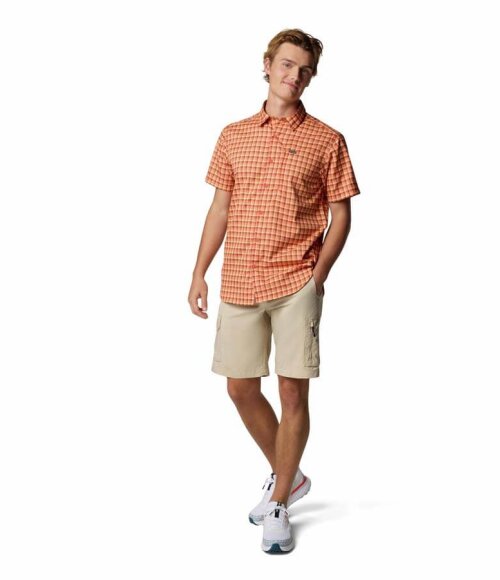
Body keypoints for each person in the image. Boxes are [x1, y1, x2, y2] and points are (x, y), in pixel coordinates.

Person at [188, 28, 360, 553]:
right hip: (240, 278)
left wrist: (318, 275)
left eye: (305, 70)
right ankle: (291, 474)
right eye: (287, 65)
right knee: (239, 388)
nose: (295, 76)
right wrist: (198, 272)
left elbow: (341, 214)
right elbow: (220, 208)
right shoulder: (233, 134)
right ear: (267, 65)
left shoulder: (327, 140)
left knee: (291, 392)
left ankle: (280, 501)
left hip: (295, 283)